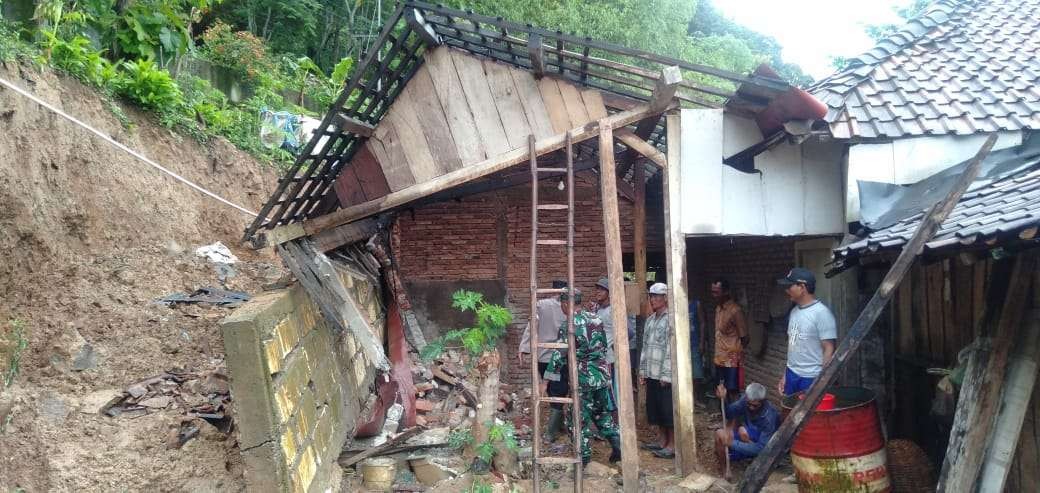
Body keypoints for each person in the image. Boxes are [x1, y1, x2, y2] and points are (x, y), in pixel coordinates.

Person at [540, 288, 622, 464]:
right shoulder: (596, 319)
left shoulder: (569, 325)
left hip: (583, 379)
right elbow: (603, 345)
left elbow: (559, 355)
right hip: (601, 376)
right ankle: (618, 445)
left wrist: (546, 380)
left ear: (565, 304)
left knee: (577, 419)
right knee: (601, 413)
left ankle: (583, 459)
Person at [519, 280, 569, 442]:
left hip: (543, 358)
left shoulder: (541, 304)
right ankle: (551, 432)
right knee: (558, 391)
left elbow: (531, 326)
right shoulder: (568, 307)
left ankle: (558, 425)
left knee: (552, 391)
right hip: (560, 358)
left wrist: (524, 347)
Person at [776, 268, 837, 396]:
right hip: (792, 375)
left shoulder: (822, 314)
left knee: (810, 416)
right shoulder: (794, 312)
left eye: (789, 286)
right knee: (790, 413)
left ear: (802, 287)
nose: (786, 290)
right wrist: (785, 375)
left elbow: (829, 349)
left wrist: (821, 380)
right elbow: (792, 347)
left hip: (811, 377)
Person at [714, 382, 780, 480]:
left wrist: (732, 443)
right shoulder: (745, 400)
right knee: (719, 434)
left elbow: (761, 449)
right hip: (749, 432)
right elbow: (729, 413)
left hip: (762, 442)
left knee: (729, 440)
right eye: (749, 404)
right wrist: (723, 399)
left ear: (763, 401)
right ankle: (726, 470)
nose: (751, 407)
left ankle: (745, 454)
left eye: (755, 405)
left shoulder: (769, 417)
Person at [639, 282, 675, 458]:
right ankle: (661, 441)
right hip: (651, 372)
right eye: (651, 296)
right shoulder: (651, 320)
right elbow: (645, 347)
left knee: (668, 410)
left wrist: (667, 374)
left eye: (657, 296)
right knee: (656, 409)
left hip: (664, 374)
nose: (653, 300)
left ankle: (672, 445)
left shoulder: (671, 319)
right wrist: (643, 371)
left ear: (665, 298)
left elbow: (671, 348)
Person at [711, 279, 748, 402]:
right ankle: (726, 417)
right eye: (713, 292)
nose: (714, 296)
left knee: (733, 391)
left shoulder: (735, 311)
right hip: (719, 357)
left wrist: (736, 353)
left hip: (731, 360)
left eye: (717, 292)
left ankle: (735, 420)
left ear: (726, 292)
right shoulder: (718, 309)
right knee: (721, 390)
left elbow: (745, 337)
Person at [689, 297, 707, 388]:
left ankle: (695, 397)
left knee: (696, 374)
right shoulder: (676, 304)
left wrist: (702, 342)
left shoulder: (697, 304)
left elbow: (702, 323)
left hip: (695, 342)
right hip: (681, 344)